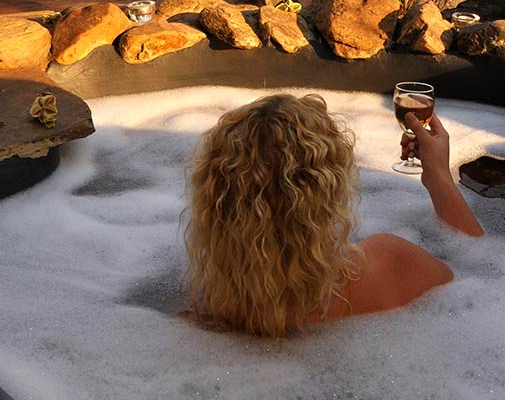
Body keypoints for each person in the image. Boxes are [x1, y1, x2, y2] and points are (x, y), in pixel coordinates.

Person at [183, 94, 484, 338]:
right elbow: (486, 275)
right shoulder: (389, 262)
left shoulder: (208, 312)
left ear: (216, 202)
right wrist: (439, 176)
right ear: (326, 191)